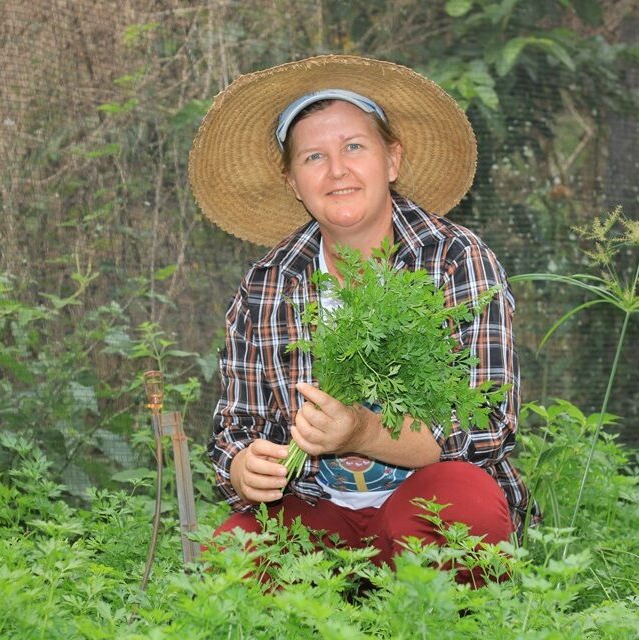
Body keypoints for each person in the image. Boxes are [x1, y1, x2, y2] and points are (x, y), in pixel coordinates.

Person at [188, 55, 535, 574]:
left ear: (391, 160)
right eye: (312, 157)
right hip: (315, 514)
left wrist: (360, 432)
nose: (337, 170)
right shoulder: (269, 283)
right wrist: (243, 468)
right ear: (292, 182)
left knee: (467, 507)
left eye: (354, 146)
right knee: (233, 554)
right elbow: (236, 427)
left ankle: (425, 614)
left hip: (424, 502)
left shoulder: (456, 261)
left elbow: (484, 427)